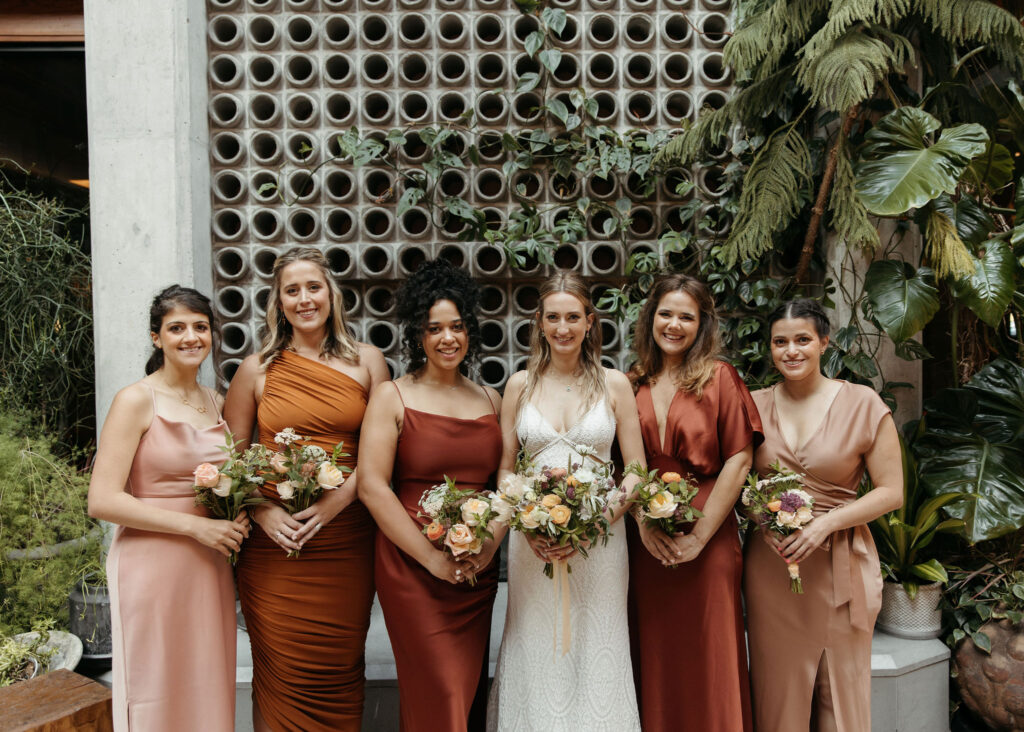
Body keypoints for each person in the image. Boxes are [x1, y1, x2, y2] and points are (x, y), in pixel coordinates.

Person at [224, 246, 389, 732]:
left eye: (313, 287)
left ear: (332, 294)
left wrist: (337, 502)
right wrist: (261, 513)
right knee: (280, 673)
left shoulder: (369, 362)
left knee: (339, 670)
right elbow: (232, 459)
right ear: (278, 303)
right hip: (276, 548)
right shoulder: (255, 369)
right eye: (291, 291)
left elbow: (384, 454)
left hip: (346, 542)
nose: (304, 299)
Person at [487, 271, 646, 732]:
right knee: (536, 641)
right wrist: (527, 521)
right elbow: (505, 469)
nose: (563, 328)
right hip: (533, 539)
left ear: (590, 321)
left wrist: (596, 523)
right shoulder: (518, 385)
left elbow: (635, 470)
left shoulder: (615, 383)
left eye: (573, 317)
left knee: (599, 640)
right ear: (538, 322)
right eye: (553, 317)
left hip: (602, 539)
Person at [89, 285, 248, 732]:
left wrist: (235, 513)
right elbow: (102, 499)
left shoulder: (217, 401)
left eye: (200, 327)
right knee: (154, 681)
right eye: (176, 328)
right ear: (156, 338)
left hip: (209, 561)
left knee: (206, 679)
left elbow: (231, 478)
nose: (190, 337)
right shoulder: (136, 399)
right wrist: (194, 528)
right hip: (151, 562)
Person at [745, 298, 903, 731]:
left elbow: (892, 492)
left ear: (824, 342)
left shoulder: (863, 402)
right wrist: (760, 516)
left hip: (841, 565)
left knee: (840, 693)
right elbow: (736, 481)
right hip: (773, 565)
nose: (791, 351)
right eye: (780, 342)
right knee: (777, 690)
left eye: (802, 340)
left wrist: (827, 523)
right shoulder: (751, 405)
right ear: (770, 348)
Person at [359, 259, 502, 732]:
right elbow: (372, 486)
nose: (447, 338)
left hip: (473, 571)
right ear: (416, 335)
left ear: (470, 331)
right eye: (434, 328)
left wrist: (490, 549)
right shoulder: (391, 396)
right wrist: (431, 559)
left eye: (457, 326)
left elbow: (505, 487)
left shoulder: (491, 400)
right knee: (438, 688)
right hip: (411, 568)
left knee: (463, 690)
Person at [626, 274, 762, 732]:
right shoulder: (631, 382)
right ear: (650, 318)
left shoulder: (720, 377)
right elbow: (622, 466)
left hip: (709, 538)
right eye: (666, 313)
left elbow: (740, 459)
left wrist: (701, 536)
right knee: (656, 649)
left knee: (709, 649)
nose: (675, 324)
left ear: (702, 323)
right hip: (647, 544)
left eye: (687, 316)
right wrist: (644, 525)